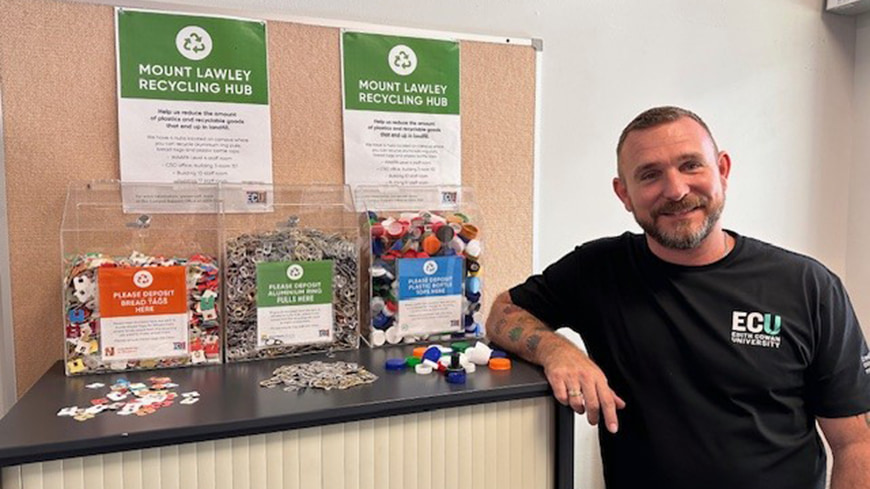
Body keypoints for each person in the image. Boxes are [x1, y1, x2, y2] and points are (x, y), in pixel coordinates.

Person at [486, 106, 870, 489]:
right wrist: (559, 351)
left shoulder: (807, 286)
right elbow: (503, 313)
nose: (676, 190)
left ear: (722, 170)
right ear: (624, 194)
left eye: (691, 166)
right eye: (650, 175)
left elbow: (855, 443)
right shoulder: (598, 270)